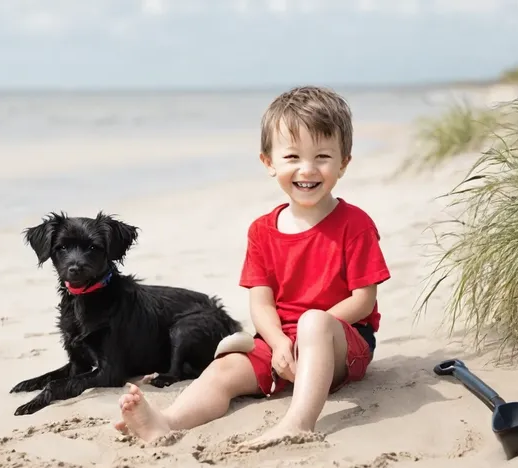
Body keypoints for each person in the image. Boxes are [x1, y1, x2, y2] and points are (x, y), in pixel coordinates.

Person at [114, 85, 391, 447]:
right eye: (292, 157)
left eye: (323, 156)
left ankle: (298, 421)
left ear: (344, 163)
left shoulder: (355, 224)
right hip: (280, 339)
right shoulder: (261, 231)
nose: (307, 169)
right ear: (268, 163)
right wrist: (278, 343)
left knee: (314, 322)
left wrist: (307, 336)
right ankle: (166, 421)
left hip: (339, 340)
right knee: (224, 368)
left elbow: (363, 301)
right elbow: (261, 304)